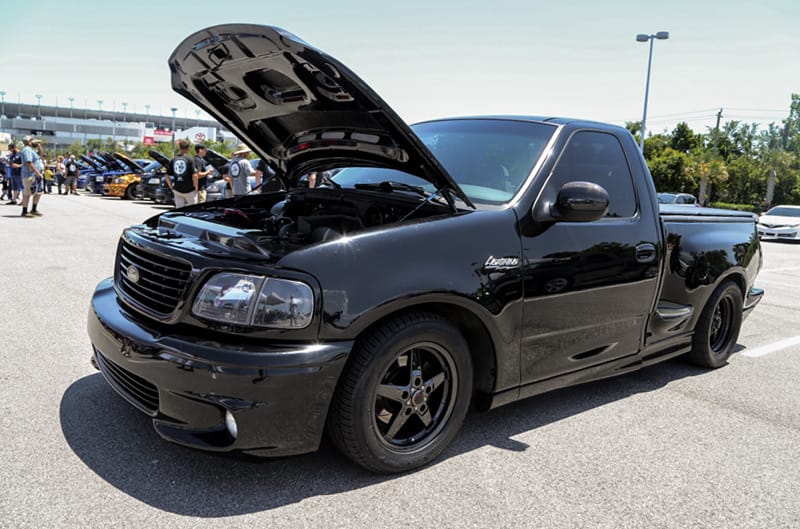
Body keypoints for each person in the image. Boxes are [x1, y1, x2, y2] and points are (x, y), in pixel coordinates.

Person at [165, 139, 198, 208]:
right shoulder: (190, 159)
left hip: (177, 189)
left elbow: (167, 175)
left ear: (179, 148)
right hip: (189, 190)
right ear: (188, 148)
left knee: (179, 211)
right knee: (193, 211)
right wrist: (196, 188)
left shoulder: (174, 159)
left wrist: (171, 187)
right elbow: (194, 175)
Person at [19, 135, 44, 217]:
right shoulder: (27, 150)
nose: (34, 141)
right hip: (30, 174)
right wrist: (37, 172)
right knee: (28, 193)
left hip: (36, 174)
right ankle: (24, 211)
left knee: (38, 192)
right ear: (29, 141)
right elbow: (28, 162)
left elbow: (41, 155)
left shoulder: (31, 150)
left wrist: (39, 145)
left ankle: (34, 209)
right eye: (32, 140)